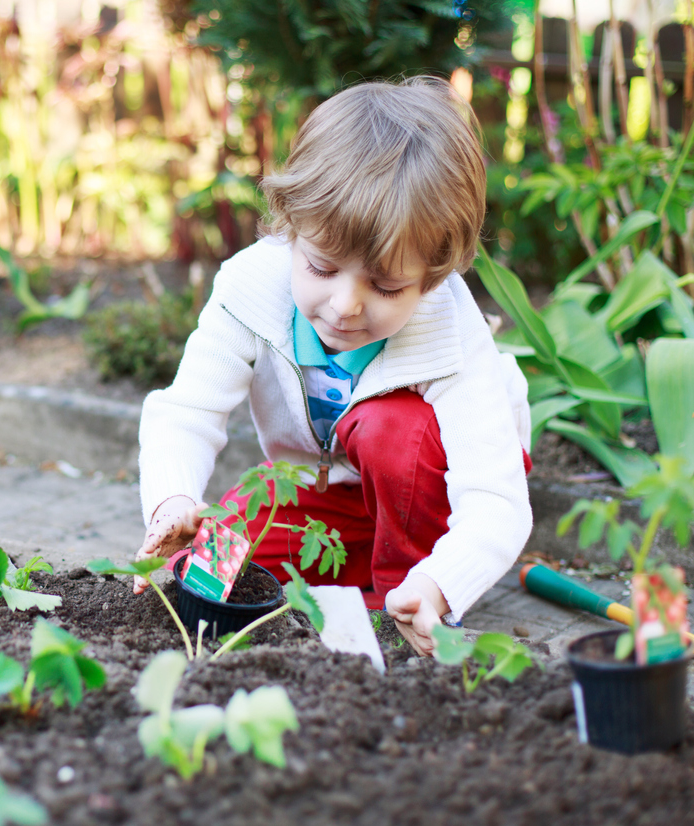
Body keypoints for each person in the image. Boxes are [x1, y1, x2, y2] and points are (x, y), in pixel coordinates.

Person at [132, 77, 533, 656]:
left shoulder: (448, 331)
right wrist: (172, 501)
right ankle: (355, 575)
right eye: (322, 269)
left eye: (388, 286)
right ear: (290, 230)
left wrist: (442, 581)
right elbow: (187, 411)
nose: (346, 306)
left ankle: (402, 599)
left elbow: (495, 499)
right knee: (216, 560)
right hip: (329, 490)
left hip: (435, 495)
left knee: (390, 428)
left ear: (433, 277)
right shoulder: (251, 290)